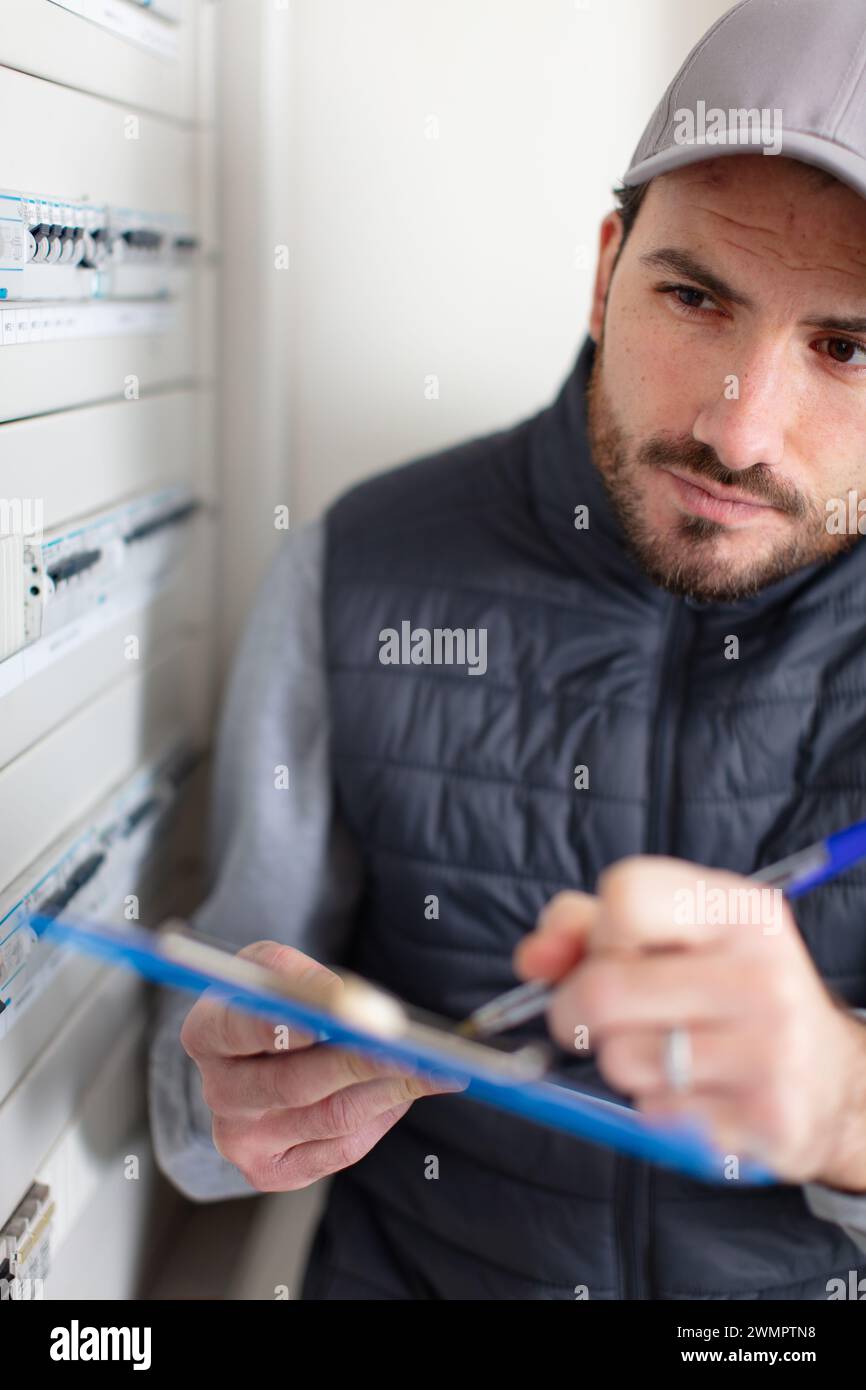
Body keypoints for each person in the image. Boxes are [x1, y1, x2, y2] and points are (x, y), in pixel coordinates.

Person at [150, 0, 866, 1299]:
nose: (739, 429)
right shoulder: (356, 568)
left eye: (846, 346)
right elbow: (187, 1110)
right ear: (605, 271)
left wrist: (842, 1111)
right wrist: (227, 1094)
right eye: (694, 297)